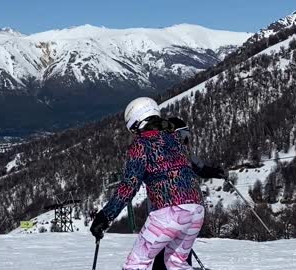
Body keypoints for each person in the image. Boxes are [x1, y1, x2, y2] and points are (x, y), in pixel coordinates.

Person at [90, 97, 205, 270]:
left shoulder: (141, 144)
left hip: (169, 213)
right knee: (176, 263)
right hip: (196, 211)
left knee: (136, 264)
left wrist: (105, 217)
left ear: (136, 123)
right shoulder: (176, 139)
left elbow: (129, 186)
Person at [152, 117, 228, 270]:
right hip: (166, 215)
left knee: (178, 255)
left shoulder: (183, 154)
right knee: (166, 255)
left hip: (182, 214)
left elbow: (199, 168)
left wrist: (215, 172)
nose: (187, 141)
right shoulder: (159, 155)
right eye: (184, 136)